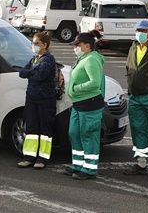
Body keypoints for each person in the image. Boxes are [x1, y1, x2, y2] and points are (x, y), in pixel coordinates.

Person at [124, 20, 148, 181]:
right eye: (138, 30)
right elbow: (129, 68)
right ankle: (140, 164)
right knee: (138, 130)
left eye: (143, 30)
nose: (140, 33)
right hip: (135, 97)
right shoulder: (133, 47)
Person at [65, 30, 105, 180]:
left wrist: (76, 89)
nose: (75, 48)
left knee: (88, 135)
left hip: (90, 104)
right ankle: (78, 164)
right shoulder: (84, 58)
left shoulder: (91, 60)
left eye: (77, 45)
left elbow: (95, 83)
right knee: (74, 133)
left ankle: (89, 169)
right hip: (79, 104)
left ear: (87, 46)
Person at [17, 32, 57, 169]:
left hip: (45, 99)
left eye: (36, 43)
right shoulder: (35, 58)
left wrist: (30, 73)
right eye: (33, 43)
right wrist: (32, 72)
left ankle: (42, 159)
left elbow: (40, 75)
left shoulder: (48, 59)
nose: (34, 46)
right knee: (31, 127)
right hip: (32, 97)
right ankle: (29, 156)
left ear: (44, 45)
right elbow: (22, 72)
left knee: (45, 129)